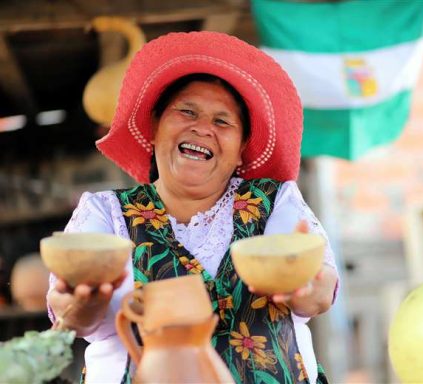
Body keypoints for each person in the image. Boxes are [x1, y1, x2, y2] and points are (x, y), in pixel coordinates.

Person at [47, 31, 339, 384]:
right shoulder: (106, 213)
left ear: (242, 147)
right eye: (186, 111)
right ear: (154, 127)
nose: (202, 128)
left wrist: (306, 290)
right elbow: (72, 316)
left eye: (222, 121)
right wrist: (81, 305)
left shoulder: (275, 201)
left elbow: (319, 293)